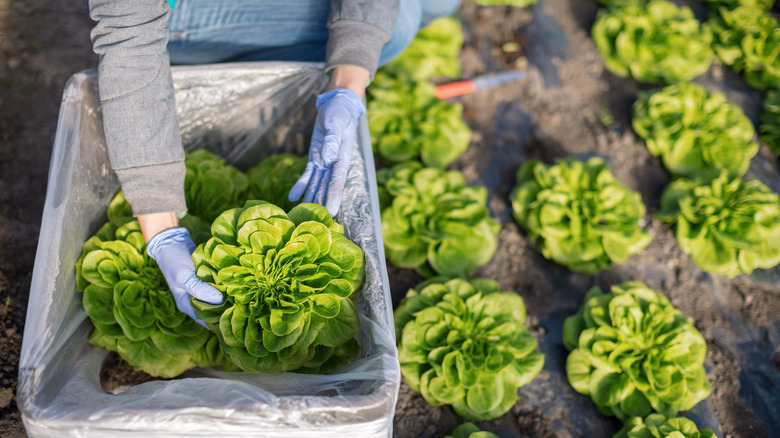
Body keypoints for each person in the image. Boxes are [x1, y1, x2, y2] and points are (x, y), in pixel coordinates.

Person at [87, 0, 459, 326]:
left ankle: (261, 57)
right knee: (400, 21)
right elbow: (129, 33)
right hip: (167, 10)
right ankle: (203, 57)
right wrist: (159, 225)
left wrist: (348, 85)